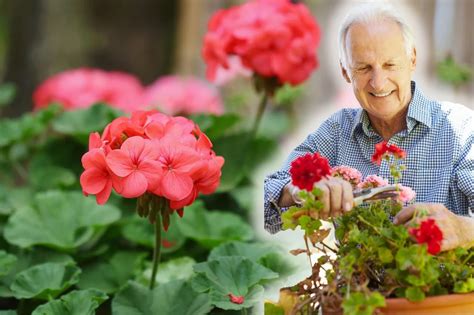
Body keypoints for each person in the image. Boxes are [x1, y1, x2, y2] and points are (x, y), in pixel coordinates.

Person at [263, 3, 474, 251]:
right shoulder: (336, 131)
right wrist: (299, 190)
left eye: (390, 65)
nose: (378, 82)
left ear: (412, 59)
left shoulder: (460, 128)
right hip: (358, 287)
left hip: (439, 288)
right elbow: (266, 205)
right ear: (345, 72)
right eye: (363, 68)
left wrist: (463, 229)